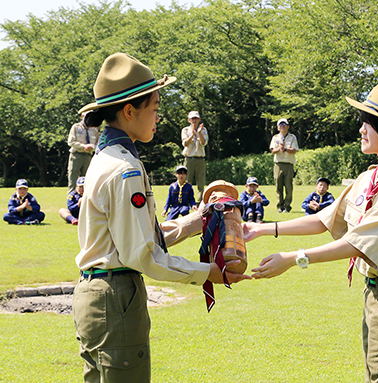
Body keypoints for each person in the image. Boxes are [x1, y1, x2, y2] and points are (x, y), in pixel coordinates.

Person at [244, 77, 378, 383]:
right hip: (377, 297)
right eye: (363, 121)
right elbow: (325, 219)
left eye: (370, 123)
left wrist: (293, 259)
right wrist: (262, 229)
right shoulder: (370, 177)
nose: (361, 129)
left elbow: (360, 244)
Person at [73, 53, 250, 383]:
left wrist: (196, 221)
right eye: (154, 108)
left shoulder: (107, 156)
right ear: (129, 111)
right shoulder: (124, 169)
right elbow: (143, 255)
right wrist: (211, 272)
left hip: (98, 295)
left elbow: (131, 235)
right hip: (116, 297)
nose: (159, 117)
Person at [270, 118, 299, 213]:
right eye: (280, 125)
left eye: (284, 125)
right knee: (278, 186)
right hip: (278, 164)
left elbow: (294, 150)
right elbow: (273, 150)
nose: (282, 127)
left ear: (288, 126)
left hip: (289, 164)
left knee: (288, 186)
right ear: (278, 128)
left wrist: (285, 149)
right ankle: (280, 206)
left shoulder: (292, 137)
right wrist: (279, 148)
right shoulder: (275, 137)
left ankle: (287, 206)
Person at [67, 112, 100, 192]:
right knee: (73, 180)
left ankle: (85, 202)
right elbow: (71, 142)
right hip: (76, 155)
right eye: (87, 116)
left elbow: (99, 144)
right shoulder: (76, 127)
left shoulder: (95, 130)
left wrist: (92, 147)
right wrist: (83, 146)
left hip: (88, 156)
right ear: (82, 116)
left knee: (87, 180)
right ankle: (71, 202)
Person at [181, 110, 208, 203]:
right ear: (189, 120)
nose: (194, 120)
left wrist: (199, 133)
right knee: (187, 180)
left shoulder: (203, 130)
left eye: (196, 118)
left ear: (199, 119)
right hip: (189, 159)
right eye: (192, 119)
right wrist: (193, 134)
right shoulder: (185, 130)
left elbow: (204, 143)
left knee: (201, 181)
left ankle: (200, 201)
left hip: (200, 159)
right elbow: (185, 143)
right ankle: (187, 200)